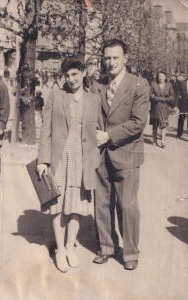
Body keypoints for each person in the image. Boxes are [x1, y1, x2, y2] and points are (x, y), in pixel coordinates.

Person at [37, 56, 103, 273]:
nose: (71, 79)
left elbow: (99, 132)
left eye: (75, 74)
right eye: (67, 75)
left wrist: (95, 159)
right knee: (57, 204)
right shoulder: (56, 95)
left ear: (83, 72)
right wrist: (43, 161)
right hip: (60, 156)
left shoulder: (94, 99)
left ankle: (70, 246)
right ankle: (60, 250)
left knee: (76, 205)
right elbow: (45, 130)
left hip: (81, 157)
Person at [91, 39, 150, 270]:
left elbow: (138, 123)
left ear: (126, 58)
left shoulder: (139, 85)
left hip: (126, 154)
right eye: (107, 57)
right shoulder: (97, 85)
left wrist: (108, 136)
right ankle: (106, 247)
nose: (111, 62)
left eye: (116, 57)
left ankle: (130, 253)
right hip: (100, 155)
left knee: (127, 206)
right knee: (102, 204)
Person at [150, 71, 175, 148]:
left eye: (162, 76)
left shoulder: (169, 85)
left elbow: (172, 96)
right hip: (155, 107)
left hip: (165, 107)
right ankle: (154, 139)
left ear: (165, 77)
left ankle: (162, 141)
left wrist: (166, 100)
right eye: (159, 76)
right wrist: (158, 98)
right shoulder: (153, 84)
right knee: (155, 124)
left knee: (163, 124)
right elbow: (150, 96)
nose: (160, 78)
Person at [177, 68, 188, 141]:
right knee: (181, 118)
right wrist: (177, 104)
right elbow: (178, 93)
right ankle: (179, 133)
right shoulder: (182, 83)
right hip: (183, 103)